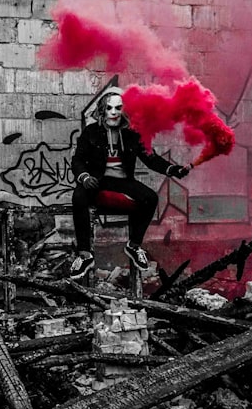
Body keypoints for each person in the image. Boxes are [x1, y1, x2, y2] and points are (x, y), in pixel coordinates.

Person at [68, 87, 190, 279]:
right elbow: (78, 160)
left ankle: (133, 246)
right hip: (97, 180)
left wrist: (173, 170)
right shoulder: (91, 132)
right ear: (102, 110)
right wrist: (84, 177)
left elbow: (150, 158)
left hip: (123, 181)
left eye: (118, 108)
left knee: (150, 198)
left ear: (124, 111)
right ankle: (84, 254)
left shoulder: (133, 134)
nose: (114, 113)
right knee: (79, 197)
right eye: (109, 108)